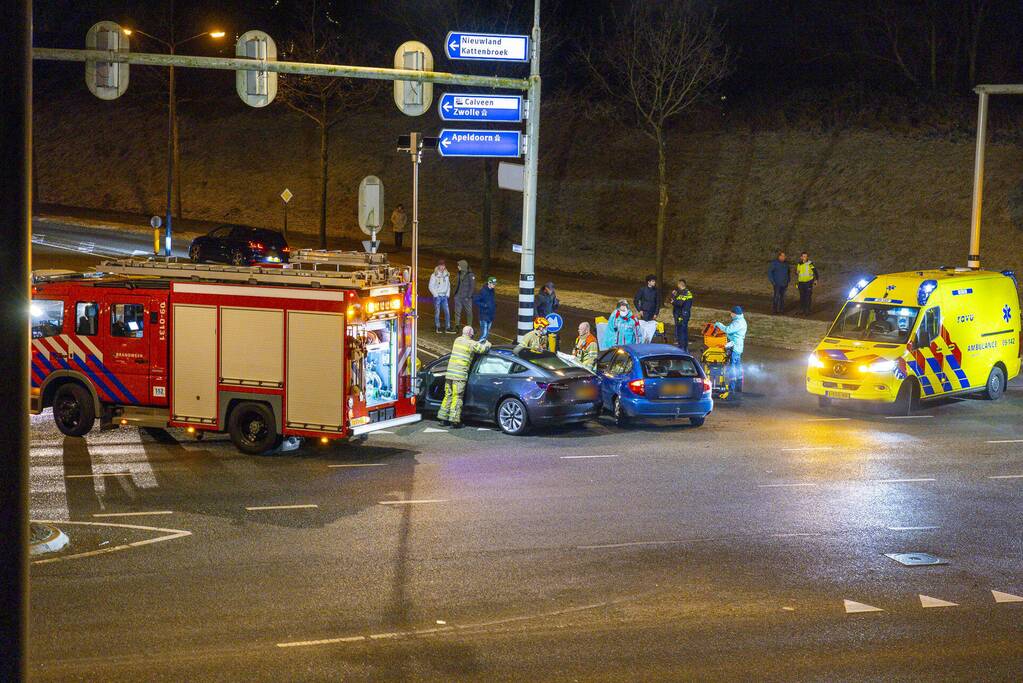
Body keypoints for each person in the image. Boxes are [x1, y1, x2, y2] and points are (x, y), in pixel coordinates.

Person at [438, 326, 491, 429]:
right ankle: (455, 421)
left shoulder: (457, 340)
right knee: (457, 397)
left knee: (448, 395)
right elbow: (482, 349)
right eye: (472, 333)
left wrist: (477, 342)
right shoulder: (471, 344)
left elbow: (470, 344)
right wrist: (487, 343)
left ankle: (443, 418)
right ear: (470, 333)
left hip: (449, 374)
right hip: (459, 375)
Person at [714, 306, 748, 400]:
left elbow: (728, 330)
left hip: (735, 348)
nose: (730, 315)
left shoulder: (738, 322)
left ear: (735, 313)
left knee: (732, 369)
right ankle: (738, 389)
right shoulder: (741, 320)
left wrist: (719, 324)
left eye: (731, 313)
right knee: (738, 368)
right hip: (738, 347)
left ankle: (731, 391)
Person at [668, 278, 694, 351]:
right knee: (680, 330)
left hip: (683, 315)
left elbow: (679, 303)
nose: (677, 285)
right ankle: (682, 346)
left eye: (678, 284)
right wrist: (674, 296)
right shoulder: (681, 293)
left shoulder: (686, 293)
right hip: (680, 314)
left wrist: (673, 302)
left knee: (682, 331)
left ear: (680, 284)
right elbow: (675, 300)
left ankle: (683, 347)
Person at [535, 282, 560, 350]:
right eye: (550, 289)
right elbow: (534, 308)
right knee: (542, 337)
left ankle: (554, 350)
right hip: (542, 321)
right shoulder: (540, 297)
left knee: (553, 336)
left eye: (552, 289)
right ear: (545, 289)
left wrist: (556, 303)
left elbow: (554, 307)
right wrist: (538, 318)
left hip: (550, 320)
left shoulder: (552, 295)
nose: (551, 291)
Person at [451, 259, 477, 328]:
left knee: (469, 312)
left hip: (466, 298)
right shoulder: (459, 273)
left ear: (463, 266)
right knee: (457, 312)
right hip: (458, 297)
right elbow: (456, 283)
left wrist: (468, 297)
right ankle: (457, 326)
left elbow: (472, 287)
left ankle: (469, 326)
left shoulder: (470, 275)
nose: (458, 267)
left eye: (459, 265)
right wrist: (455, 293)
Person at [428, 260, 451, 333]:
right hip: (437, 296)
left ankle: (448, 327)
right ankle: (438, 326)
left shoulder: (446, 275)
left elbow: (448, 285)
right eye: (440, 265)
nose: (442, 267)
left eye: (443, 265)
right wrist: (436, 295)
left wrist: (447, 294)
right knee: (437, 312)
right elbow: (430, 286)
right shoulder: (434, 275)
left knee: (447, 312)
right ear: (438, 266)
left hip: (444, 296)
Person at [474, 276, 497, 341]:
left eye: (495, 284)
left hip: (490, 315)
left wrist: (493, 307)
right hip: (484, 315)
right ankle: (480, 345)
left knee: (487, 332)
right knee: (484, 333)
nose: (494, 285)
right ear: (489, 283)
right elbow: (476, 300)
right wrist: (484, 305)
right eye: (493, 284)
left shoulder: (492, 291)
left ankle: (483, 344)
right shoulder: (483, 291)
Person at [796, 251, 819, 315]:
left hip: (808, 283)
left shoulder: (810, 263)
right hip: (801, 283)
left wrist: (816, 280)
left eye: (806, 256)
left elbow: (815, 272)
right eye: (803, 256)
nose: (805, 257)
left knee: (808, 297)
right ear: (801, 257)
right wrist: (796, 273)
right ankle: (802, 310)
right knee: (802, 297)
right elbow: (798, 273)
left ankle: (807, 311)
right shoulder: (799, 264)